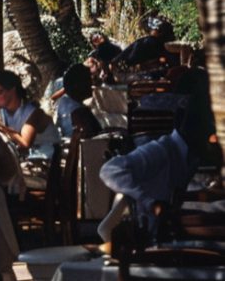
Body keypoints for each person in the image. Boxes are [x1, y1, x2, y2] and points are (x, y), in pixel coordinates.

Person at [98, 70, 214, 238]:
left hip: (174, 228)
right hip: (158, 234)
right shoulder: (163, 150)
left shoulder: (193, 157)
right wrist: (151, 204)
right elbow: (110, 170)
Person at [0, 70, 60, 159]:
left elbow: (25, 143)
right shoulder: (3, 112)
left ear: (12, 89)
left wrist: (0, 127)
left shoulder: (33, 112)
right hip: (29, 157)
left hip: (49, 159)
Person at [55, 64, 102, 139]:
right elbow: (89, 138)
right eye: (89, 80)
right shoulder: (78, 111)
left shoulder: (64, 101)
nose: (92, 84)